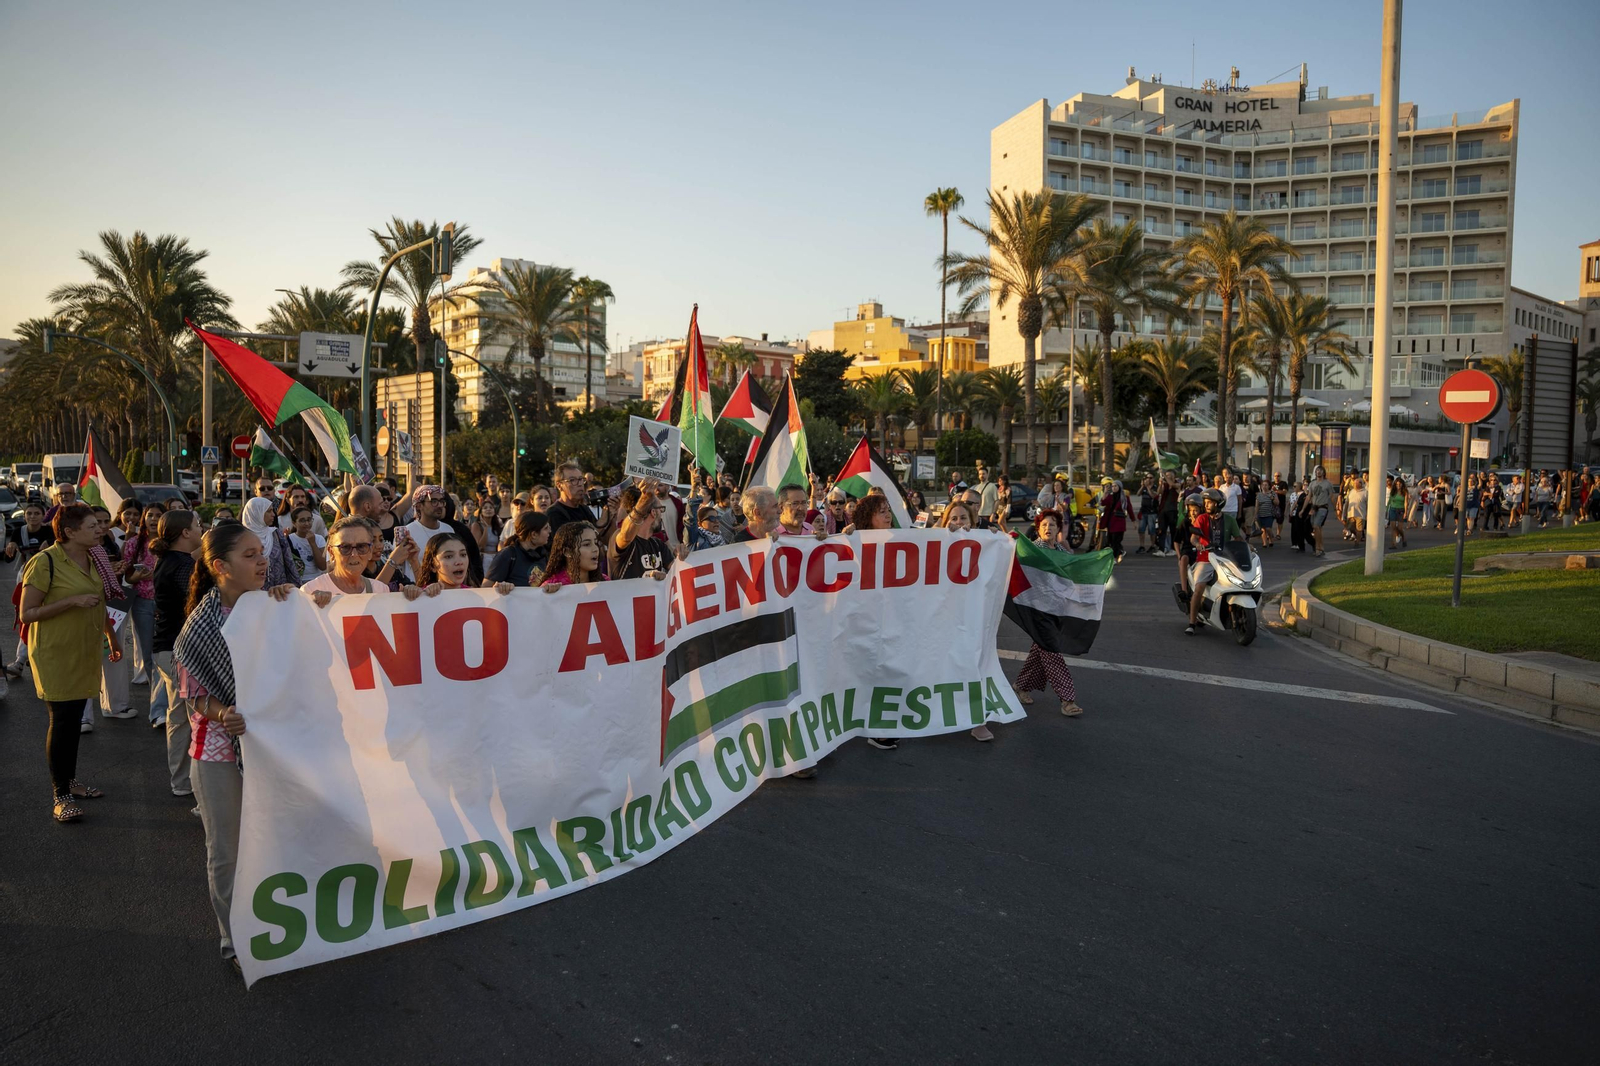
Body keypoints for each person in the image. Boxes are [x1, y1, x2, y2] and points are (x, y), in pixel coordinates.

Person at [174, 524, 298, 969]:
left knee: (276, 842)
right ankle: (235, 935)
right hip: (219, 754)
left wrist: (311, 605)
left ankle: (281, 924)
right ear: (220, 567)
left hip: (274, 749)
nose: (262, 561)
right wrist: (223, 712)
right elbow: (193, 693)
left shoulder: (280, 606)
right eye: (250, 555)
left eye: (261, 552)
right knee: (228, 850)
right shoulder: (199, 628)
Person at [18, 504, 121, 822]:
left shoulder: (95, 558)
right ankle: (60, 794)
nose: (99, 529)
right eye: (92, 526)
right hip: (55, 653)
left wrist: (112, 638)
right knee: (62, 720)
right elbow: (27, 614)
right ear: (69, 532)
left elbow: (99, 601)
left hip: (86, 649)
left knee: (74, 719)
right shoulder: (44, 562)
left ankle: (70, 780)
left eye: (99, 525)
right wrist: (70, 602)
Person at [1012, 511, 1085, 718]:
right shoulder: (1033, 549)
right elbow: (1016, 556)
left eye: (1052, 524)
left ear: (1058, 529)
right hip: (1037, 610)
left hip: (1056, 609)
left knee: (1040, 650)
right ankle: (1067, 699)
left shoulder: (1061, 550)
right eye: (1043, 524)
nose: (1047, 528)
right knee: (1052, 651)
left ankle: (1021, 686)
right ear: (1038, 528)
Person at [151, 509, 202, 798]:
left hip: (166, 649)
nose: (200, 529)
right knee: (197, 717)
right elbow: (195, 605)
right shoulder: (182, 566)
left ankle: (182, 781)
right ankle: (192, 781)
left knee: (180, 717)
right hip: (179, 653)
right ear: (185, 533)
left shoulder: (170, 561)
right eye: (197, 526)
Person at [303, 516, 417, 598]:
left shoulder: (381, 590)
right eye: (345, 547)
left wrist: (409, 596)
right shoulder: (309, 591)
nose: (354, 554)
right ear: (331, 552)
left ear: (370, 551)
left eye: (361, 546)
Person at [1184, 488, 1243, 635]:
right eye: (1205, 502)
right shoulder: (1202, 519)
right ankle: (1192, 622)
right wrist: (1198, 544)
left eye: (1210, 502)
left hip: (1226, 560)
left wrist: (1248, 547)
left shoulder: (1229, 520)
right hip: (1206, 559)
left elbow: (1238, 538)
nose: (1206, 505)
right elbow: (1193, 538)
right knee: (1199, 588)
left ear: (1219, 503)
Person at [415, 532, 514, 596]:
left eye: (463, 554)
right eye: (449, 556)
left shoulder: (475, 595)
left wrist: (498, 596)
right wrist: (413, 594)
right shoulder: (421, 596)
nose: (459, 562)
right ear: (433, 565)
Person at [611, 482, 675, 579]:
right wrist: (645, 499)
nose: (661, 514)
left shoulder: (658, 545)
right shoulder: (622, 538)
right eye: (660, 509)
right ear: (653, 512)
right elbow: (626, 536)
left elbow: (676, 572)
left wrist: (682, 559)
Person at [396, 485, 454, 579]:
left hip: (444, 590)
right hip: (415, 590)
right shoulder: (407, 532)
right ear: (419, 505)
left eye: (442, 501)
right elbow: (398, 566)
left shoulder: (448, 530)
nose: (439, 505)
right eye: (434, 501)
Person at [539, 521, 606, 587]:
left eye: (596, 543)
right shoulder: (552, 586)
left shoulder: (604, 581)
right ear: (567, 552)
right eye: (586, 544)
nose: (595, 549)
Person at [285, 506, 327, 579]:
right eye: (302, 520)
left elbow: (322, 566)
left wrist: (313, 543)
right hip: (297, 579)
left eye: (309, 520)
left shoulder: (319, 539)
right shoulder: (290, 539)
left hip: (316, 578)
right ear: (294, 523)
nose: (307, 523)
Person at [1097, 477, 1133, 561]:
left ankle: (1115, 557)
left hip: (1119, 522)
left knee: (1116, 540)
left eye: (1115, 486)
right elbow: (1103, 502)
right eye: (1112, 486)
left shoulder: (1124, 498)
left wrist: (1133, 520)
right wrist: (1105, 493)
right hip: (1110, 522)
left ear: (1120, 487)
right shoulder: (1110, 496)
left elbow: (1129, 509)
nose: (1113, 488)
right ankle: (1118, 554)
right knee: (1111, 540)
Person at [1306, 466, 1335, 557]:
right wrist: (1303, 509)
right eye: (1317, 470)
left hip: (1323, 507)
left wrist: (1336, 508)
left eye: (1320, 470)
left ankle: (1318, 548)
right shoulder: (1312, 483)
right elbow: (1309, 496)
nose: (1318, 472)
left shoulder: (1327, 484)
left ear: (1324, 472)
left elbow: (1332, 496)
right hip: (1314, 508)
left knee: (1316, 526)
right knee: (1316, 528)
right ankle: (1321, 547)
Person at [470, 494, 504, 566]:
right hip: (484, 559)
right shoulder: (476, 525)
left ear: (494, 511)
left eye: (491, 508)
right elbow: (480, 546)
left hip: (496, 558)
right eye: (485, 508)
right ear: (481, 512)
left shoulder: (497, 526)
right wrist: (485, 528)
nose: (488, 509)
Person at [1134, 475, 1156, 554]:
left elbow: (1153, 496)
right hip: (1143, 512)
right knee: (1141, 530)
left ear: (1153, 479)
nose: (1148, 479)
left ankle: (1152, 546)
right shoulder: (1144, 488)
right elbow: (1138, 494)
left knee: (1152, 530)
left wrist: (1149, 488)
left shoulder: (1155, 487)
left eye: (1151, 478)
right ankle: (1142, 546)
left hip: (1152, 512)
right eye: (1147, 478)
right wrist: (1143, 486)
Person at [1255, 474, 1278, 548]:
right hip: (1261, 514)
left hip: (1269, 514)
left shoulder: (1273, 493)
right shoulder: (1259, 495)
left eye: (1266, 485)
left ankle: (1271, 539)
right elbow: (1257, 505)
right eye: (1263, 485)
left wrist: (1272, 498)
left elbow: (1277, 503)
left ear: (1269, 486)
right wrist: (1255, 514)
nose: (1264, 486)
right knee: (1263, 529)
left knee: (1268, 528)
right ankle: (1264, 542)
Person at [1386, 475, 1409, 548]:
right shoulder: (1393, 491)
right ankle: (1393, 544)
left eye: (1400, 484)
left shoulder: (1405, 492)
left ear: (1402, 484)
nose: (1398, 486)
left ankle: (1403, 538)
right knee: (1393, 527)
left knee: (1399, 528)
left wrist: (1405, 512)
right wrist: (1387, 509)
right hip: (1393, 509)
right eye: (1397, 484)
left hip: (1401, 510)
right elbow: (1390, 500)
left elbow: (1406, 502)